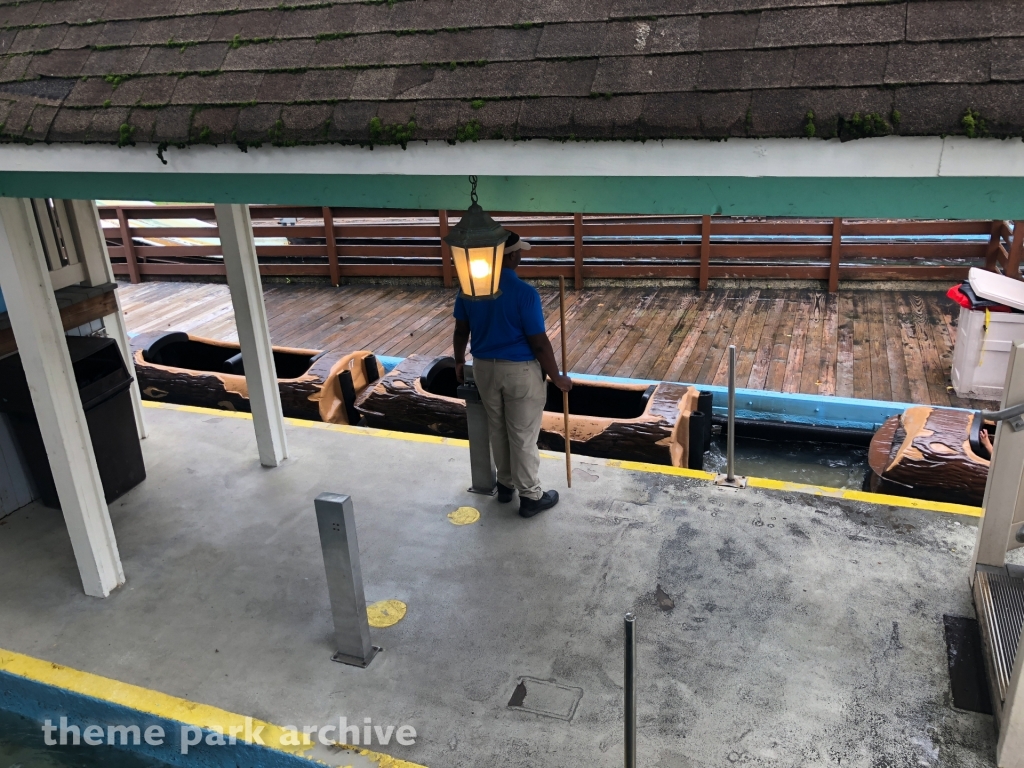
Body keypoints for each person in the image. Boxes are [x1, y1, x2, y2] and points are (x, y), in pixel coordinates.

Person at [453, 232, 572, 518]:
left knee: (499, 429)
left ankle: (506, 486)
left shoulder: (470, 288)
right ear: (509, 257)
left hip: (483, 368)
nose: (522, 256)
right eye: (518, 252)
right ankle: (530, 496)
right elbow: (539, 342)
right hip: (519, 371)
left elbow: (460, 330)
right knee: (522, 436)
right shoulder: (524, 294)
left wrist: (459, 361)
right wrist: (557, 377)